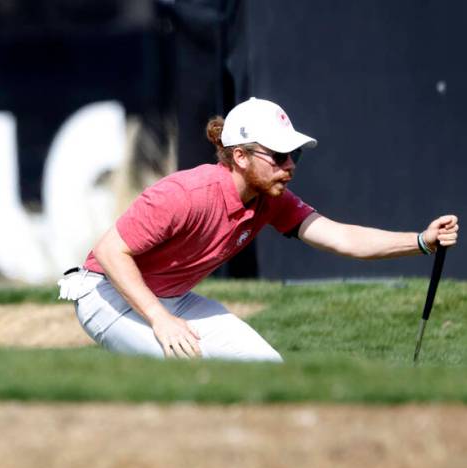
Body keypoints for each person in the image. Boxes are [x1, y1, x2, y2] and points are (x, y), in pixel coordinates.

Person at [58, 97, 459, 361]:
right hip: (105, 295)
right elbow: (110, 252)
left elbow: (341, 238)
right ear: (240, 156)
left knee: (268, 366)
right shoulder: (187, 193)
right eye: (280, 155)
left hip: (172, 297)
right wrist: (159, 318)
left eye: (295, 154)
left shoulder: (271, 200)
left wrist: (421, 241)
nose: (291, 165)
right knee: (186, 363)